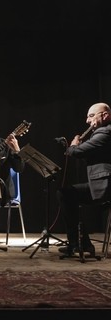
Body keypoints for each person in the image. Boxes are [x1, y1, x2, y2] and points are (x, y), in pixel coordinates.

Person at [57, 102, 111, 257]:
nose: (87, 121)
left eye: (91, 116)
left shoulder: (105, 133)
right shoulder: (103, 132)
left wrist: (73, 146)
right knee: (68, 194)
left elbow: (77, 152)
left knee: (65, 194)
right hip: (103, 183)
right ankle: (81, 243)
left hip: (106, 186)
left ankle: (78, 243)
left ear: (105, 115)